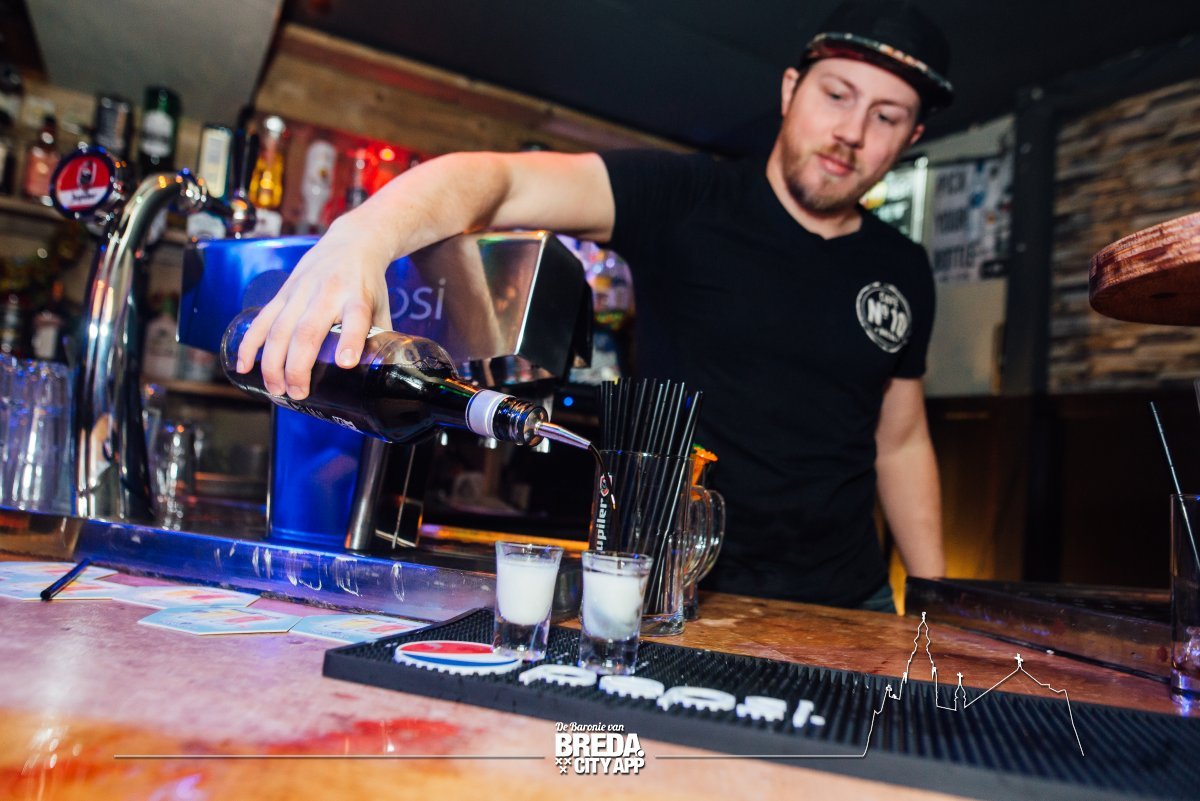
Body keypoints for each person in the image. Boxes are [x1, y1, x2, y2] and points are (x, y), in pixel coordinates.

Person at [234, 0, 952, 611]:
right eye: (837, 95)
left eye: (886, 115)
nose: (852, 132)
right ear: (792, 89)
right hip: (679, 588)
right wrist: (361, 238)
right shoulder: (685, 198)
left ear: (912, 137)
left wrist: (935, 600)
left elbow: (901, 441)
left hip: (849, 597)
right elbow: (500, 182)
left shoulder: (902, 268)